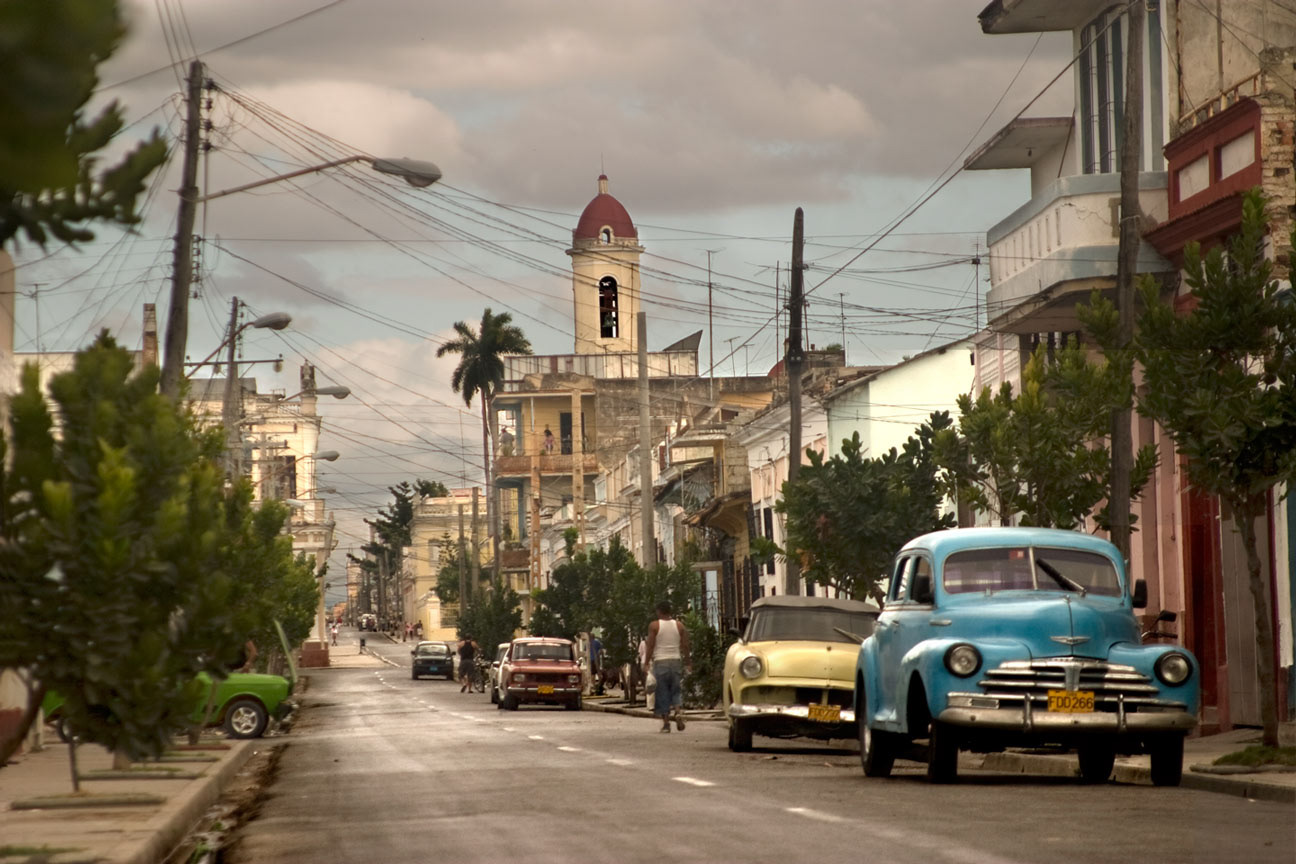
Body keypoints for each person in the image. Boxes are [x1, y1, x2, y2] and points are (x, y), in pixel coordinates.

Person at [642, 600, 690, 732]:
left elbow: (650, 646)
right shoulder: (679, 625)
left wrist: (646, 663)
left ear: (659, 611)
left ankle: (666, 724)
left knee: (662, 693)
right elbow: (685, 645)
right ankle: (678, 711)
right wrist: (688, 662)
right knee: (676, 690)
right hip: (675, 661)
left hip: (661, 662)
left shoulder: (654, 626)